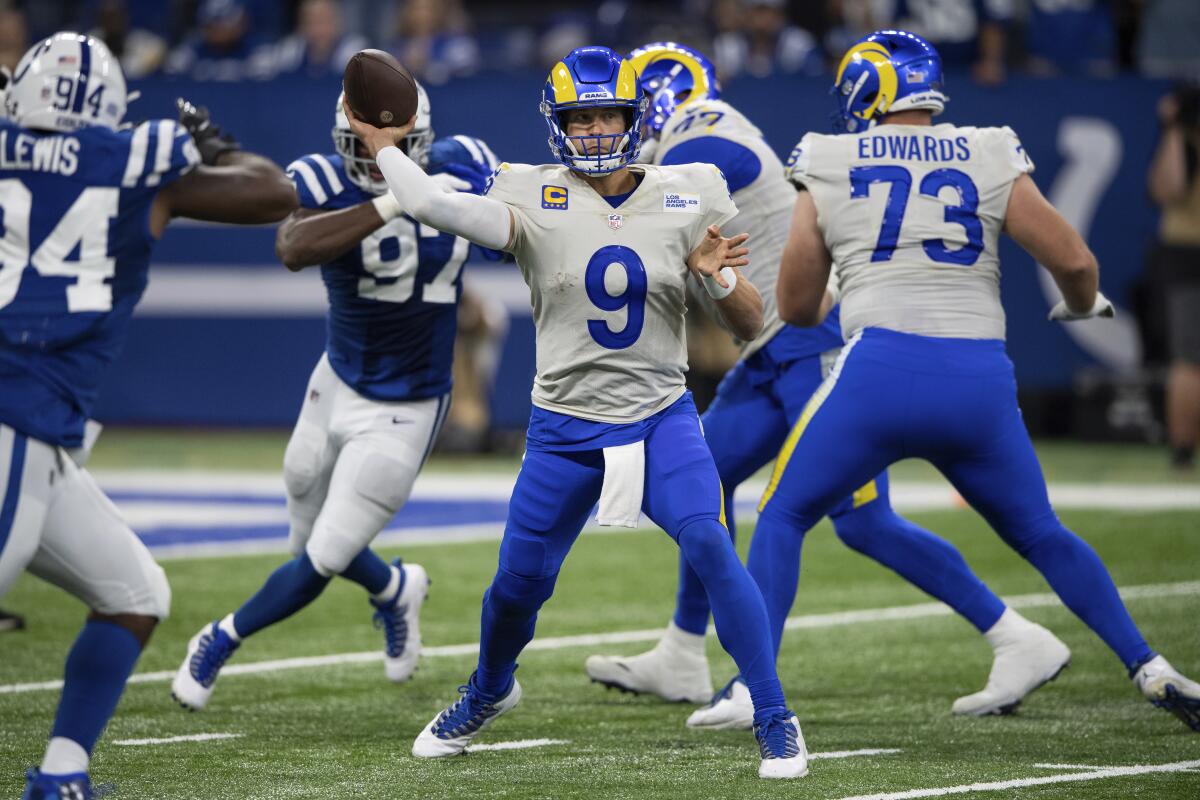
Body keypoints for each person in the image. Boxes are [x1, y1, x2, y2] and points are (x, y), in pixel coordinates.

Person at [345, 45, 808, 779]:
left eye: (607, 115)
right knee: (517, 586)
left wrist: (717, 283)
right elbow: (433, 202)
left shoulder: (689, 190)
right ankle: (490, 689)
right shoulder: (531, 192)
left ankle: (775, 715)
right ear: (559, 124)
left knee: (711, 544)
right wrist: (384, 147)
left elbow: (752, 324)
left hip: (660, 416)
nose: (594, 131)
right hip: (563, 429)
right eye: (580, 118)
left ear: (634, 118)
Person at [585, 41, 1071, 729]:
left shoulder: (707, 126)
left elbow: (703, 177)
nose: (613, 127)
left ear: (657, 99)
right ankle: (683, 652)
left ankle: (1015, 635)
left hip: (812, 340)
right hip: (771, 349)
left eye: (621, 112)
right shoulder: (689, 139)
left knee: (864, 522)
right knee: (706, 477)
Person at [760, 29, 1200, 732]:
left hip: (877, 374)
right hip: (977, 381)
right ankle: (1149, 663)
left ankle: (759, 693)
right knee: (1042, 532)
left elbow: (795, 307)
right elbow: (1079, 264)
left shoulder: (829, 156)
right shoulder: (988, 146)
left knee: (782, 515)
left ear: (865, 94)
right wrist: (1081, 307)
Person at [0, 31, 296, 800]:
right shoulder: (134, 167)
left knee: (135, 593)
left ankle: (62, 774)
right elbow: (271, 191)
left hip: (37, 429)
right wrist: (212, 140)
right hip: (17, 411)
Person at [170, 84, 500, 710]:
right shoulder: (322, 177)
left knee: (322, 556)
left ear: (418, 143)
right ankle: (395, 588)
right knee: (304, 531)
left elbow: (516, 228)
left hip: (409, 402)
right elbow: (292, 247)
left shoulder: (462, 164)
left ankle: (220, 638)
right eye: (359, 146)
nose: (372, 159)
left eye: (387, 150)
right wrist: (396, 203)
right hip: (337, 377)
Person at [1147, 83, 1200, 471]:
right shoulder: (1182, 143)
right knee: (1188, 358)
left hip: (1184, 252)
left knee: (1187, 360)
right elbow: (1169, 188)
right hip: (1186, 255)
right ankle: (1183, 451)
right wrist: (1175, 130)